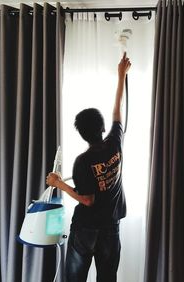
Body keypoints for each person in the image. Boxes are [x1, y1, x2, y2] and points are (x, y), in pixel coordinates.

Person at [46, 53, 131, 282]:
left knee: (75, 278)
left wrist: (58, 183)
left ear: (82, 134)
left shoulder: (82, 161)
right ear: (102, 127)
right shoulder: (115, 142)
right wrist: (121, 76)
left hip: (86, 229)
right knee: (107, 277)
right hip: (111, 227)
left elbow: (87, 200)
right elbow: (117, 110)